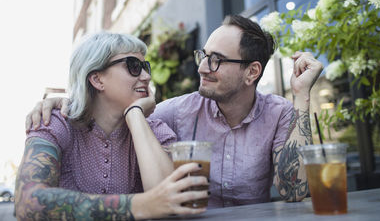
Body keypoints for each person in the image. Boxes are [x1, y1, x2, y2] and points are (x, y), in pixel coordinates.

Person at [26, 15, 323, 208]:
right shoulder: (174, 113)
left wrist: (301, 98)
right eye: (203, 56)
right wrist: (72, 100)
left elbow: (294, 191)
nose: (202, 67)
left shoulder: (280, 112)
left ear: (252, 72)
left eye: (216, 60)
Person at [16, 32, 209, 220]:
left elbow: (173, 203)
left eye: (145, 67)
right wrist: (141, 205)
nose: (146, 76)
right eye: (133, 66)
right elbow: (28, 202)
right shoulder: (55, 123)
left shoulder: (152, 130)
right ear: (97, 79)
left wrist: (135, 115)